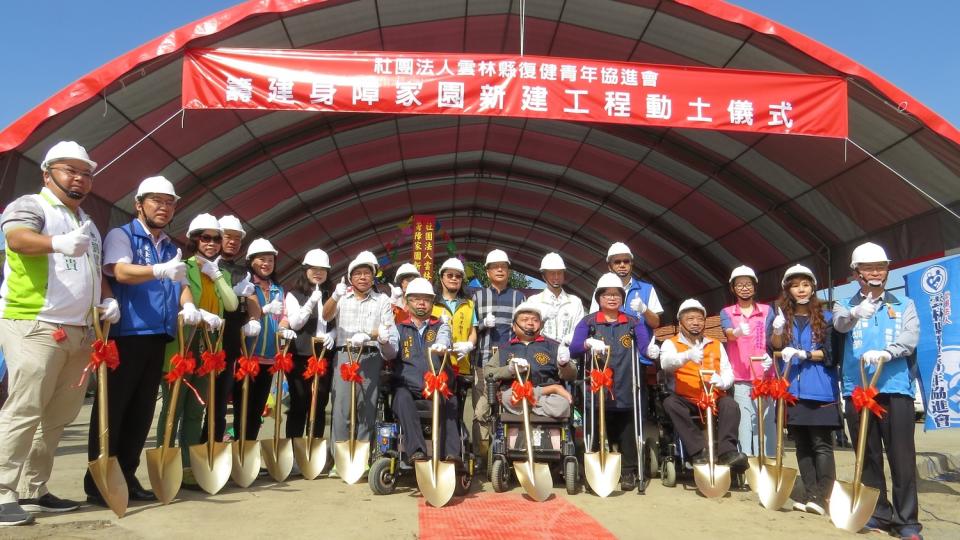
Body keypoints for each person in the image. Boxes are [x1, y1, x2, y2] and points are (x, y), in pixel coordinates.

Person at [0, 142, 117, 524]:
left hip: (80, 330)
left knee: (59, 415)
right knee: (25, 408)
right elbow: (16, 239)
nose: (79, 178)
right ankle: (2, 490)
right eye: (70, 170)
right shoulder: (30, 206)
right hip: (34, 323)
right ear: (47, 173)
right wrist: (55, 242)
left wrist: (107, 298)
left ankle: (35, 489)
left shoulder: (88, 223)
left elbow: (95, 270)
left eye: (86, 173)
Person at [86, 175, 198, 505]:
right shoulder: (124, 236)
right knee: (114, 410)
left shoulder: (168, 246)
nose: (164, 207)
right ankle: (98, 482)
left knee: (141, 412)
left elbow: (179, 282)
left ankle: (128, 475)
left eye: (169, 202)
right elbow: (119, 272)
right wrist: (159, 271)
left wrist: (189, 303)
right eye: (156, 201)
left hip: (157, 337)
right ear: (139, 204)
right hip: (126, 335)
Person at [833, 242, 921, 539]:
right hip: (858, 390)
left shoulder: (903, 304)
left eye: (880, 267)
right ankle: (878, 513)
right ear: (856, 273)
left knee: (902, 457)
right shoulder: (843, 305)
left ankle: (907, 520)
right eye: (868, 268)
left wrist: (888, 352)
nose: (875, 272)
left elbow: (910, 339)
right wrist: (857, 311)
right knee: (868, 455)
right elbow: (840, 325)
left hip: (895, 389)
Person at [156, 213, 235, 486]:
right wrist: (197, 310)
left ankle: (188, 467)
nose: (212, 243)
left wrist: (218, 277)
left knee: (195, 411)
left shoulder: (221, 272)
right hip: (184, 347)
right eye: (206, 238)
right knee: (173, 408)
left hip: (209, 351)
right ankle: (166, 461)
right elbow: (176, 298)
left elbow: (232, 304)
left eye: (216, 238)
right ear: (194, 240)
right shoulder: (183, 266)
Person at [569, 273, 651, 490]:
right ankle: (592, 468)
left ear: (622, 298)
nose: (612, 298)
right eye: (607, 295)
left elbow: (644, 349)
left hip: (625, 384)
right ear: (599, 298)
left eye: (616, 295)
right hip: (595, 387)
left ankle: (628, 471)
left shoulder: (633, 322)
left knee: (626, 430)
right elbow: (574, 349)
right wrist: (587, 343)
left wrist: (653, 349)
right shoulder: (588, 322)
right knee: (594, 429)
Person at [768, 264, 837, 516]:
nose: (801, 289)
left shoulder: (828, 318)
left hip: (820, 389)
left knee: (821, 444)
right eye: (795, 285)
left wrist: (805, 353)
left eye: (805, 284)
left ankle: (823, 496)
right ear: (788, 289)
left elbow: (831, 354)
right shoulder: (781, 317)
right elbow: (774, 349)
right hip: (791, 390)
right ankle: (811, 494)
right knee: (802, 445)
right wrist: (777, 330)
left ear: (813, 287)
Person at [322, 253, 398, 461]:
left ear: (373, 278)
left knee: (366, 406)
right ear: (350, 278)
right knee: (342, 408)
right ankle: (339, 458)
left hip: (370, 355)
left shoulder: (381, 299)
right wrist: (335, 296)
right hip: (344, 355)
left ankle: (362, 457)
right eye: (358, 274)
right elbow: (325, 316)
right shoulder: (341, 298)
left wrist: (369, 335)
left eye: (367, 273)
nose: (363, 277)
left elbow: (387, 328)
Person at [659, 299, 746, 471]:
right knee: (670, 403)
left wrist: (722, 382)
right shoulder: (671, 343)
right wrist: (686, 356)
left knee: (731, 404)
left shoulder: (716, 344)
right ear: (681, 322)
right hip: (686, 397)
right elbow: (666, 364)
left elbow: (728, 372)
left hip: (713, 396)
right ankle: (698, 451)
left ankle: (727, 452)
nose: (695, 323)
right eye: (690, 319)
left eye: (699, 319)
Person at [235, 238, 295, 441]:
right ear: (251, 261)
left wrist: (284, 327)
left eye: (270, 260)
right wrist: (265, 310)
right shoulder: (247, 285)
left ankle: (249, 448)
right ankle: (238, 448)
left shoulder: (278, 289)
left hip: (269, 357)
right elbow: (246, 313)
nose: (266, 264)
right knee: (242, 407)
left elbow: (284, 316)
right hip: (247, 357)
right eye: (262, 259)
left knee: (258, 409)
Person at [391, 278, 455, 463]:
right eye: (415, 299)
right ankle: (417, 452)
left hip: (437, 386)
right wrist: (384, 341)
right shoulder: (399, 329)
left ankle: (450, 456)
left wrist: (442, 345)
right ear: (407, 302)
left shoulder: (441, 325)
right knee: (400, 398)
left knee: (451, 401)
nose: (421, 303)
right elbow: (390, 350)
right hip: (408, 387)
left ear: (432, 303)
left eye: (426, 299)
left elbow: (445, 337)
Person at [202, 215, 254, 443]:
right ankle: (189, 452)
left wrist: (253, 316)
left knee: (219, 403)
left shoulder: (243, 272)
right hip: (202, 342)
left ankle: (211, 444)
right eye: (227, 237)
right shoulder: (202, 264)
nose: (232, 242)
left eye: (236, 238)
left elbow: (250, 303)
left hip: (229, 345)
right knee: (195, 403)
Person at [471, 249, 525, 462]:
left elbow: (524, 328)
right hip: (483, 361)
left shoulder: (518, 297)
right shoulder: (478, 296)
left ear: (509, 271)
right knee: (481, 411)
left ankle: (509, 454)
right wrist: (483, 324)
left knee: (509, 408)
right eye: (495, 266)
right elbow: (471, 329)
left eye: (504, 266)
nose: (500, 269)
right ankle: (481, 456)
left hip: (510, 363)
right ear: (487, 271)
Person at [719, 265, 776, 459]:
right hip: (741, 376)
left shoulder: (767, 311)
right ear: (733, 289)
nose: (744, 288)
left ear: (755, 287)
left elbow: (773, 341)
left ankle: (769, 463)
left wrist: (776, 334)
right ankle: (748, 463)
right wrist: (736, 332)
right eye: (740, 284)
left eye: (748, 284)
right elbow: (728, 334)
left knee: (766, 423)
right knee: (744, 423)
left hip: (765, 376)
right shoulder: (727, 312)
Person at [488, 303, 575, 419]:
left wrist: (564, 364)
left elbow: (572, 375)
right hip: (516, 393)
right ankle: (537, 406)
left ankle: (529, 406)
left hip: (548, 396)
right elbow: (488, 372)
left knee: (562, 405)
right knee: (507, 397)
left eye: (535, 320)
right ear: (514, 326)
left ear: (541, 325)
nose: (530, 323)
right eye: (525, 320)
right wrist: (509, 370)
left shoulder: (554, 346)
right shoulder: (505, 349)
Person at [284, 249, 336, 441]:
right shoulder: (294, 295)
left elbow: (339, 322)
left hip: (323, 355)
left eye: (323, 269)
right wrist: (310, 303)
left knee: (319, 402)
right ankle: (293, 447)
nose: (318, 272)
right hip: (300, 354)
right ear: (305, 270)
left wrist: (333, 333)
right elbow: (296, 323)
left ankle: (313, 447)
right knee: (299, 401)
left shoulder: (332, 295)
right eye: (313, 268)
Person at [590, 242, 663, 333]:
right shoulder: (600, 290)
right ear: (609, 266)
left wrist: (644, 310)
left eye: (626, 261)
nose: (622, 265)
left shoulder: (647, 289)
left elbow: (656, 323)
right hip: (610, 346)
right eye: (617, 262)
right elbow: (592, 322)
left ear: (631, 263)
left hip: (641, 346)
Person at [526, 253, 584, 346]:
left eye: (559, 273)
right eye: (552, 273)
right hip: (541, 354)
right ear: (543, 276)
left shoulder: (575, 302)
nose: (556, 277)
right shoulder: (533, 301)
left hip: (568, 354)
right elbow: (528, 333)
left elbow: (579, 331)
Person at [431, 258, 477, 376]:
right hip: (436, 364)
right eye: (450, 275)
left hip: (461, 365)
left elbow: (473, 332)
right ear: (441, 278)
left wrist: (469, 345)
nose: (454, 279)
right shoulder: (432, 304)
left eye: (458, 276)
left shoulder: (469, 304)